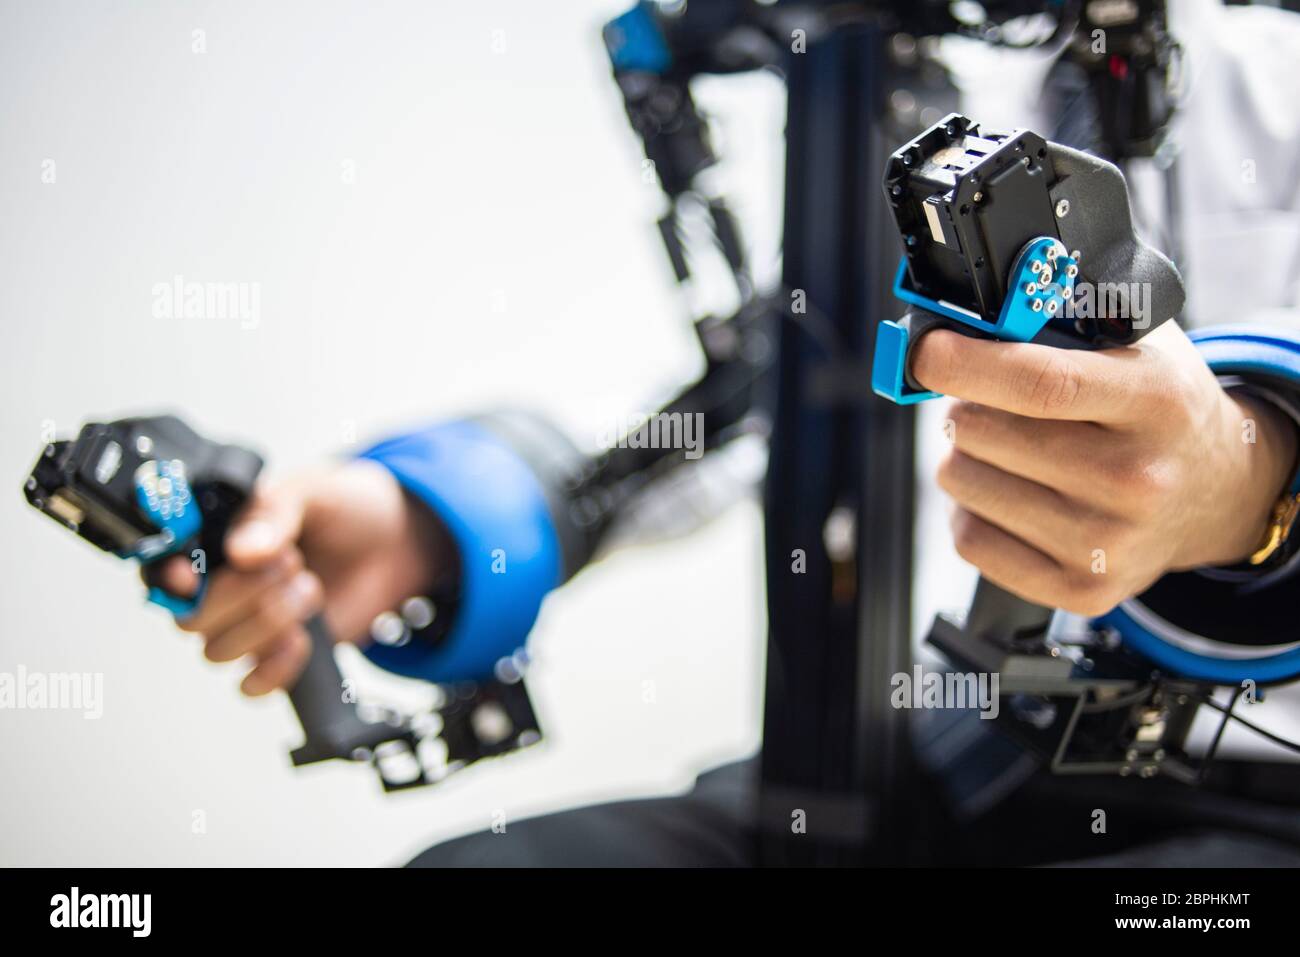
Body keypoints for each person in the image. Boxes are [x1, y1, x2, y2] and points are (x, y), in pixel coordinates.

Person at [154, 0, 1300, 866]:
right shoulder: (963, 76)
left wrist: (1256, 491)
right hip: (962, 763)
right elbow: (770, 390)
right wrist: (447, 523)